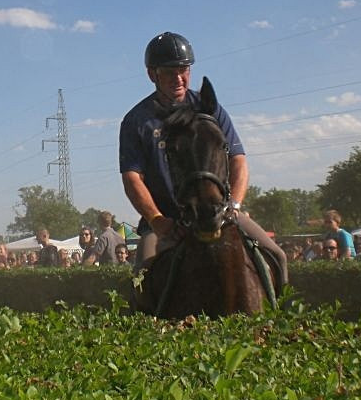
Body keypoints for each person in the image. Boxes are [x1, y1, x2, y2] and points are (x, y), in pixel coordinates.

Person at [119, 31, 286, 280]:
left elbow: (238, 159)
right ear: (152, 74)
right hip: (168, 223)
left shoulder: (210, 109)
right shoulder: (136, 121)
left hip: (219, 213)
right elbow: (132, 178)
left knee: (278, 257)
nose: (178, 78)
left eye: (184, 69)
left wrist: (235, 206)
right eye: (169, 71)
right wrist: (157, 220)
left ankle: (281, 315)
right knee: (141, 279)